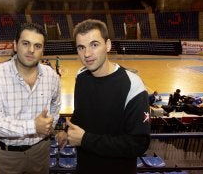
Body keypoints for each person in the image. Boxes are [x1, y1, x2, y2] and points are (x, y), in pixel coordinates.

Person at [56, 19, 150, 174]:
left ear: (107, 45)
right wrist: (67, 131)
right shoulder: (81, 76)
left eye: (94, 45)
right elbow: (81, 114)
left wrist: (85, 140)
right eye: (81, 47)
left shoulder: (132, 84)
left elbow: (138, 143)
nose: (87, 54)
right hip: (84, 167)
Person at [0, 22, 61, 174]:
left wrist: (49, 126)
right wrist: (33, 126)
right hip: (7, 156)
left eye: (37, 46)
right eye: (26, 43)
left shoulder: (51, 75)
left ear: (43, 50)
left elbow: (55, 104)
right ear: (15, 45)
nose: (31, 50)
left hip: (41, 151)